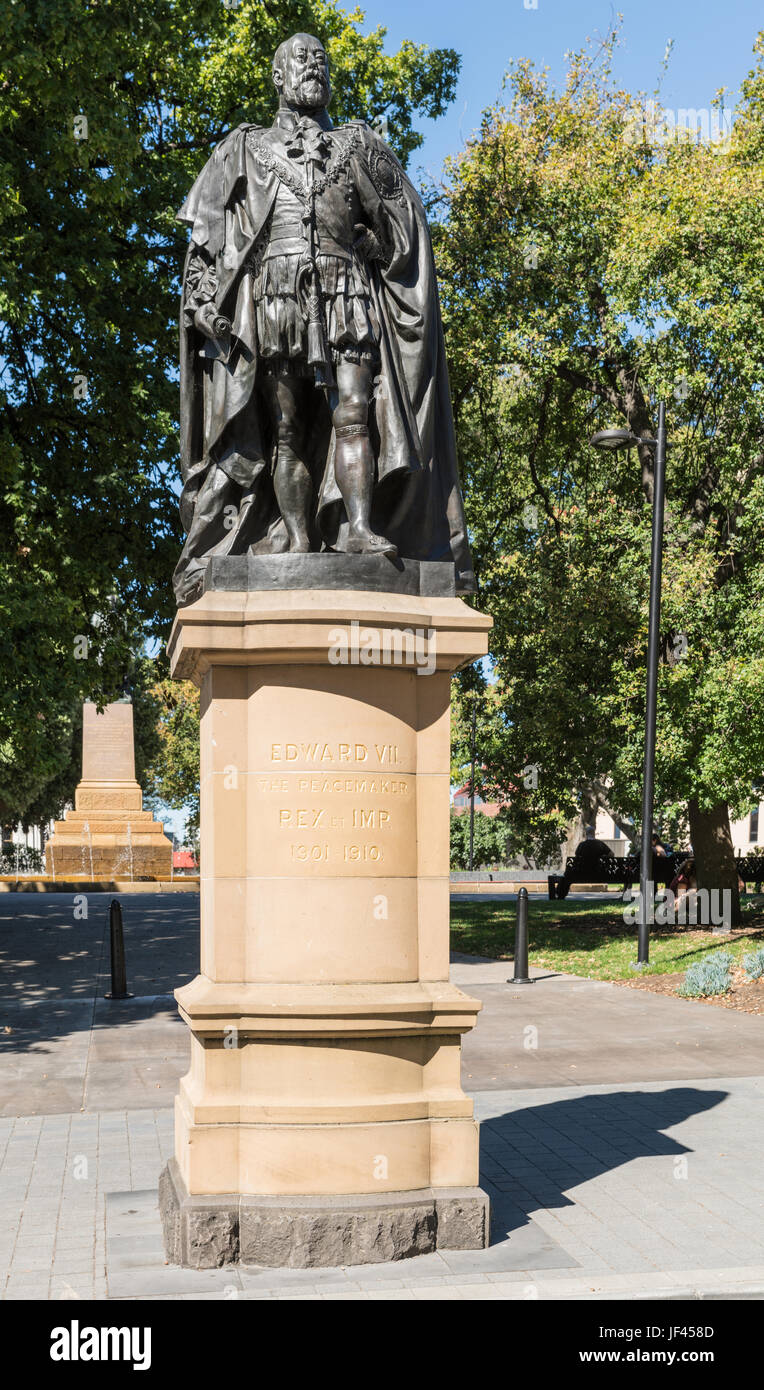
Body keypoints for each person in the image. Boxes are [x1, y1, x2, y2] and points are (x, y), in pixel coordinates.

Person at [172, 32, 474, 604]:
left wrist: (378, 247)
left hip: (346, 291)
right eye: (299, 61)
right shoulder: (243, 148)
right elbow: (204, 239)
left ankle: (359, 529)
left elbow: (405, 227)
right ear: (278, 78)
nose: (312, 68)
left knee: (355, 413)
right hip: (275, 295)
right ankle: (296, 534)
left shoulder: (357, 145)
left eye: (320, 61)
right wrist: (205, 302)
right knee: (286, 428)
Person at [550, 826, 610, 900]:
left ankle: (560, 895)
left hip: (582, 873)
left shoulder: (582, 845)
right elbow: (611, 854)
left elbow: (577, 855)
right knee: (567, 875)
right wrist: (603, 856)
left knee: (567, 875)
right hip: (598, 873)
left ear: (586, 834)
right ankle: (559, 894)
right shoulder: (600, 844)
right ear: (594, 834)